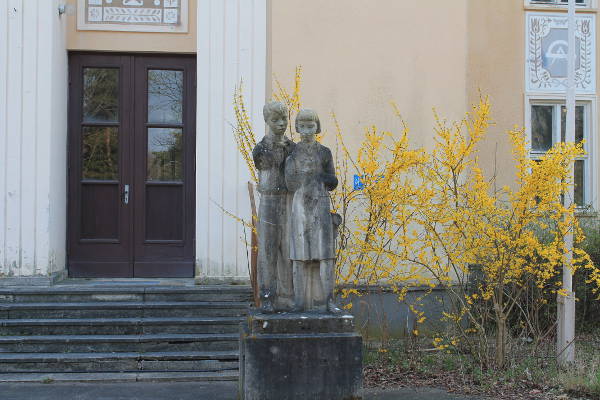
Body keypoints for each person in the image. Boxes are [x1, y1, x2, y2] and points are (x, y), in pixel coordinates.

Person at [285, 109, 341, 313]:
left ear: (317, 127)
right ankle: (299, 302)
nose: (307, 130)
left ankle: (328, 301)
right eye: (303, 126)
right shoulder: (292, 152)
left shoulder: (324, 152)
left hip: (320, 204)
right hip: (300, 207)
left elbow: (333, 181)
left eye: (311, 126)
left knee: (325, 254)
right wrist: (293, 167)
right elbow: (289, 183)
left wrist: (321, 177)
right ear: (297, 128)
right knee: (300, 255)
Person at [252, 101, 296, 312]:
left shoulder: (292, 148)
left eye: (284, 119)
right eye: (275, 120)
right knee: (268, 250)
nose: (281, 123)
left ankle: (288, 296)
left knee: (288, 250)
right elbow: (265, 163)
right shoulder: (261, 148)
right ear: (267, 122)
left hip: (288, 201)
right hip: (269, 201)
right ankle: (267, 296)